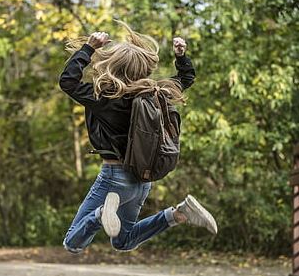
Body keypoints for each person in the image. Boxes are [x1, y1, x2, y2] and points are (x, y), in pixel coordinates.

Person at [59, 21, 218, 254]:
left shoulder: (104, 97)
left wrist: (89, 48)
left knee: (72, 243)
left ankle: (101, 213)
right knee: (123, 241)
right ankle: (179, 214)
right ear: (142, 68)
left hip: (114, 178)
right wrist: (181, 57)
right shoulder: (156, 94)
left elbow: (68, 82)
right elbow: (186, 79)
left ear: (113, 65)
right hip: (142, 180)